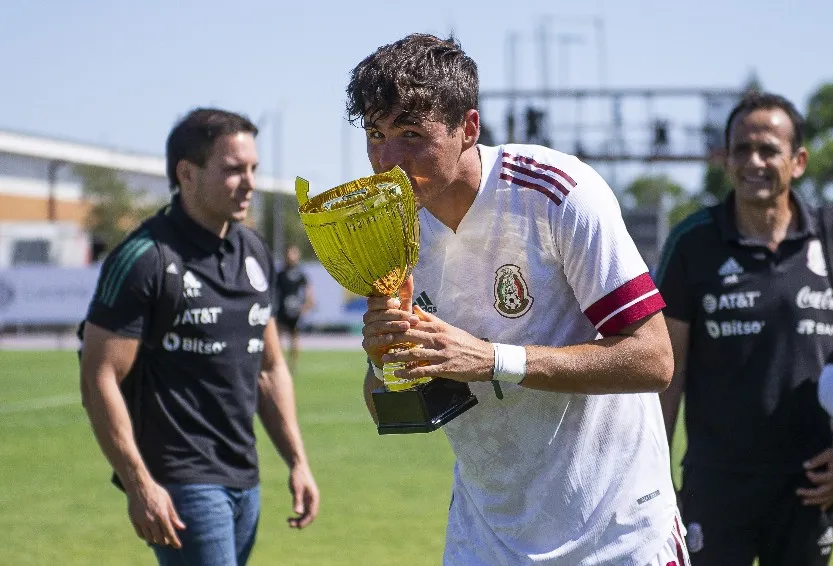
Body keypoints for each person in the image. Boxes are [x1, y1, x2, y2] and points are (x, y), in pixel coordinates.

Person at [349, 34, 688, 565]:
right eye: (376, 134)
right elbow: (388, 409)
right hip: (486, 539)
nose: (387, 161)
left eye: (411, 134)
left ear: (468, 128)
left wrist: (492, 361)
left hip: (615, 533)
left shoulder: (557, 191)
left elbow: (653, 358)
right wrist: (387, 364)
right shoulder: (387, 231)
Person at [80, 108, 320, 566]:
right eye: (233, 170)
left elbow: (268, 368)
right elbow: (99, 378)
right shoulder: (144, 257)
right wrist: (139, 484)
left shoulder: (252, 249)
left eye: (252, 168)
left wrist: (298, 462)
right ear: (186, 174)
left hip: (244, 478)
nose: (249, 182)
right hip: (181, 480)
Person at [656, 91, 833, 565]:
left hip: (811, 485)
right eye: (741, 149)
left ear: (799, 161)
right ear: (725, 159)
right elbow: (665, 371)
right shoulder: (692, 243)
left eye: (769, 150)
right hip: (715, 487)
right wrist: (654, 481)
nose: (754, 162)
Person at [275, 244, 315, 372]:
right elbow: (273, 291)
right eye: (289, 253)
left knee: (295, 338)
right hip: (282, 310)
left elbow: (308, 290)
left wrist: (307, 304)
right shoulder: (280, 273)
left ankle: (293, 364)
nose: (291, 256)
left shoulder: (300, 274)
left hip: (295, 311)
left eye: (294, 253)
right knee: (279, 338)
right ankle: (279, 363)